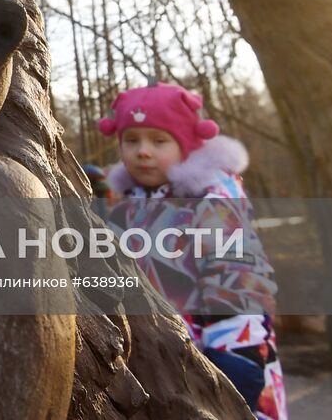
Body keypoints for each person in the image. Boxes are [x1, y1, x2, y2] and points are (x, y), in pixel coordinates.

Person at [99, 82, 286, 420]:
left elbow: (237, 277)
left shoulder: (211, 204)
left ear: (185, 145)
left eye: (158, 141)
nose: (142, 151)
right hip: (163, 361)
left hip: (220, 358)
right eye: (131, 140)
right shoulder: (128, 209)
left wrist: (236, 358)